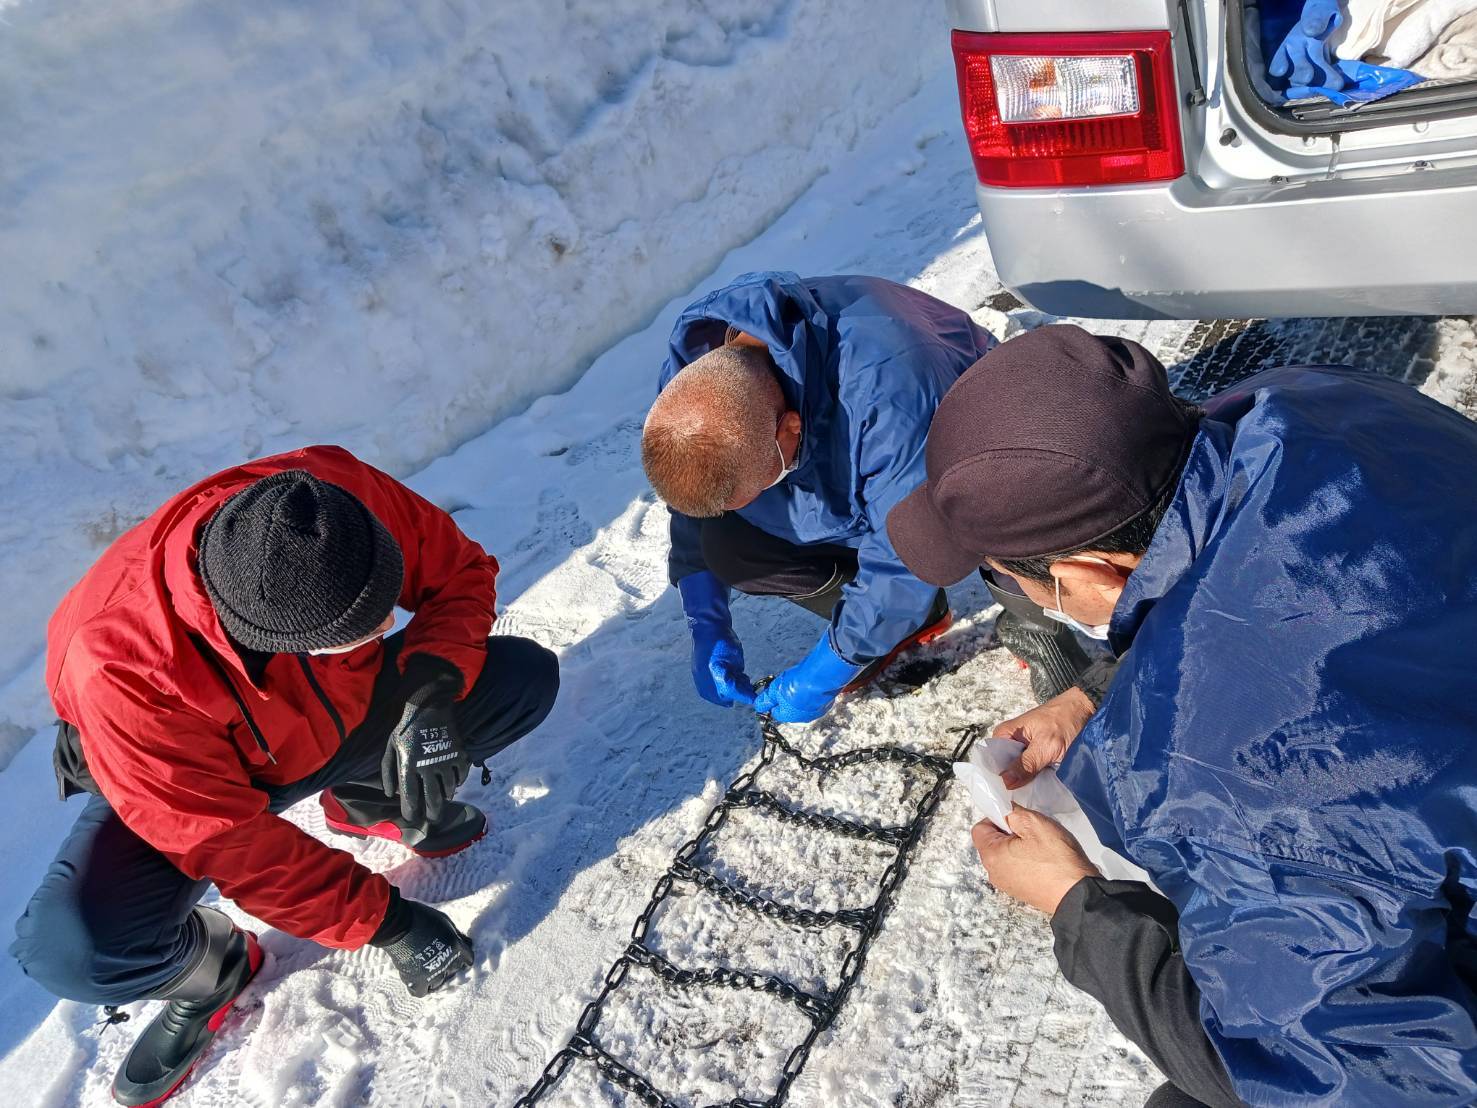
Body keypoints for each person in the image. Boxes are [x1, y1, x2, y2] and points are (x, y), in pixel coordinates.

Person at [887, 325, 1477, 1107]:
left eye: (1006, 581)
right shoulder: (1313, 400)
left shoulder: (1231, 785)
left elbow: (1355, 1079)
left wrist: (1079, 908)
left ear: (1081, 573)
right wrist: (1101, 689)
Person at [11, 446, 560, 1107]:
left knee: (521, 680)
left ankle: (366, 797)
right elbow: (233, 844)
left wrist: (431, 690)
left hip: (326, 722)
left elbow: (460, 573)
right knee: (74, 948)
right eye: (362, 628)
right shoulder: (121, 673)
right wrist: (386, 922)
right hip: (193, 779)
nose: (389, 625)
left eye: (386, 607)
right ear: (268, 635)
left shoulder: (328, 499)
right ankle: (215, 969)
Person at [642, 270, 1108, 724]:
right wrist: (706, 620)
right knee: (729, 544)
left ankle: (1035, 621)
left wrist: (831, 667)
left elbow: (909, 554)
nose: (739, 506)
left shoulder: (895, 392)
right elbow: (699, 498)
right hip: (838, 468)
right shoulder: (697, 382)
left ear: (789, 429)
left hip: (975, 442)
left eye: (752, 488)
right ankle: (912, 620)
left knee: (1000, 494)